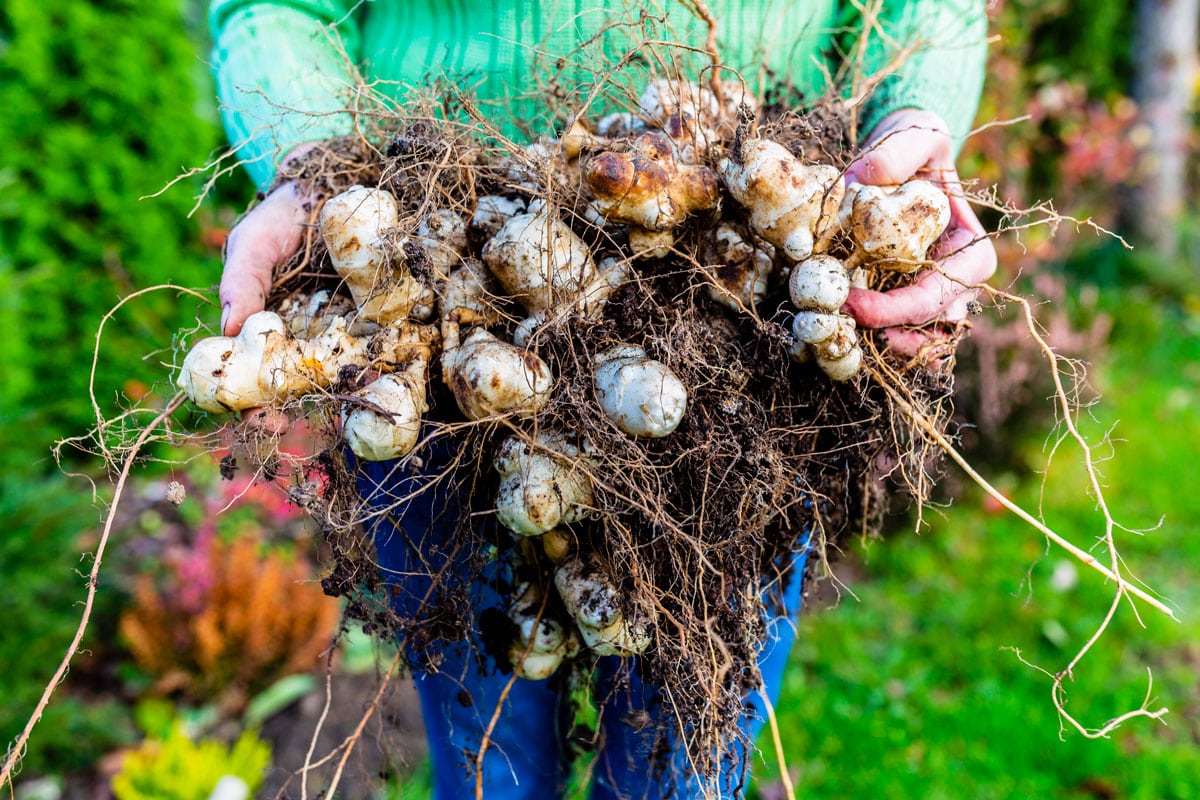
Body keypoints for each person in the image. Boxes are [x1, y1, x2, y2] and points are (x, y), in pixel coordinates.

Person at [207, 1, 996, 797]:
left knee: (685, 755)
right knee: (489, 760)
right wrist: (317, 169)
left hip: (753, 328)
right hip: (428, 250)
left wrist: (912, 123)